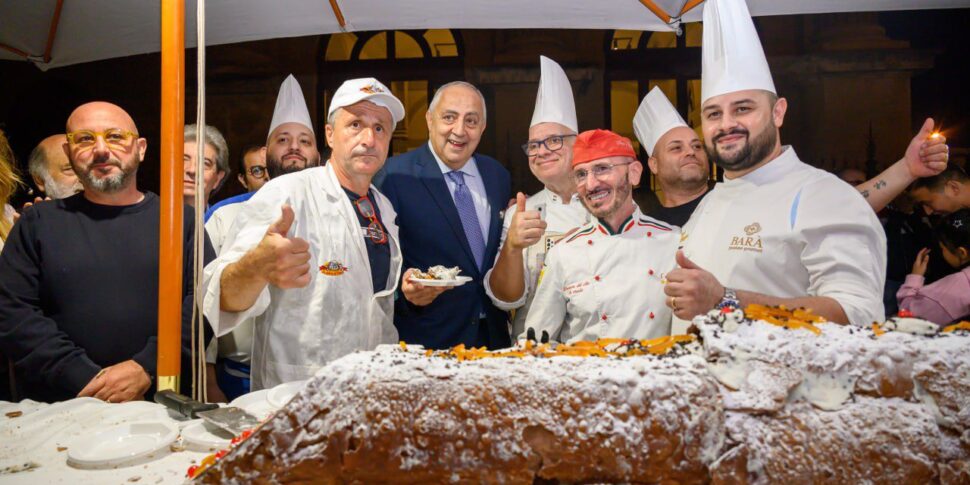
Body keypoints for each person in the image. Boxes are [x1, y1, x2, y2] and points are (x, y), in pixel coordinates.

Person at [666, 0, 890, 331]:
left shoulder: (824, 195)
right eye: (714, 113)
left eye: (743, 109)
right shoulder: (712, 201)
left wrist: (726, 300)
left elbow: (857, 314)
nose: (727, 124)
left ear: (778, 112)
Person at [202, 77, 405, 390]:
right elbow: (221, 297)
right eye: (355, 124)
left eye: (380, 128)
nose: (369, 138)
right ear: (329, 135)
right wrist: (256, 266)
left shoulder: (383, 206)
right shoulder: (286, 193)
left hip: (370, 386)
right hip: (297, 391)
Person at [0, 101, 210, 402]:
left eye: (115, 136)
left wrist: (146, 366)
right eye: (84, 139)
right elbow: (13, 312)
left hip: (162, 402)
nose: (100, 149)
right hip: (65, 404)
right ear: (70, 154)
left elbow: (205, 304)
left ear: (140, 148)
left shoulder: (181, 221)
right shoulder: (38, 223)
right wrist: (84, 377)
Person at [634, 87, 948, 228]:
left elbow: (846, 204)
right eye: (676, 148)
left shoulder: (740, 194)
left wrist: (907, 169)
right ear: (653, 164)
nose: (690, 151)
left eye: (697, 145)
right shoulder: (644, 222)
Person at [202, 76, 321, 398]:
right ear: (268, 154)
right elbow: (202, 299)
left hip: (315, 374)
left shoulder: (335, 216)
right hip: (241, 377)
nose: (294, 147)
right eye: (283, 140)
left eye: (305, 141)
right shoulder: (225, 217)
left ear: (319, 156)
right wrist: (208, 380)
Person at [377, 81, 512, 350]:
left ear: (483, 128)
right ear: (429, 119)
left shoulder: (497, 174)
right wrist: (406, 291)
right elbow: (379, 258)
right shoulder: (393, 175)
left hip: (493, 340)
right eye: (449, 117)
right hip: (428, 340)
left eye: (471, 121)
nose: (459, 131)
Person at [524, 129, 678, 342]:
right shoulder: (563, 253)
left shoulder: (674, 243)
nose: (591, 184)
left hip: (654, 372)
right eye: (581, 174)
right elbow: (537, 339)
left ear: (634, 173)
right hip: (586, 372)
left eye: (602, 169)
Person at [485, 56, 591, 338]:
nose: (542, 151)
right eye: (533, 145)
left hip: (598, 348)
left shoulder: (605, 204)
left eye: (554, 140)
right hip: (533, 350)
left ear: (577, 145)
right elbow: (505, 300)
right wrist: (513, 247)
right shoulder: (520, 213)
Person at [897, 209, 970, 325]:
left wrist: (914, 279)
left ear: (962, 253)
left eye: (943, 248)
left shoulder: (949, 293)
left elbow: (908, 316)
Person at [183, 123, 229, 208]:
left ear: (218, 178)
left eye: (205, 163)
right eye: (183, 160)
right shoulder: (151, 218)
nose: (192, 170)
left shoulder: (224, 221)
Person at [27, 134, 83, 199]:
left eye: (88, 168)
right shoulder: (35, 209)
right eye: (71, 169)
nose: (85, 178)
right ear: (40, 180)